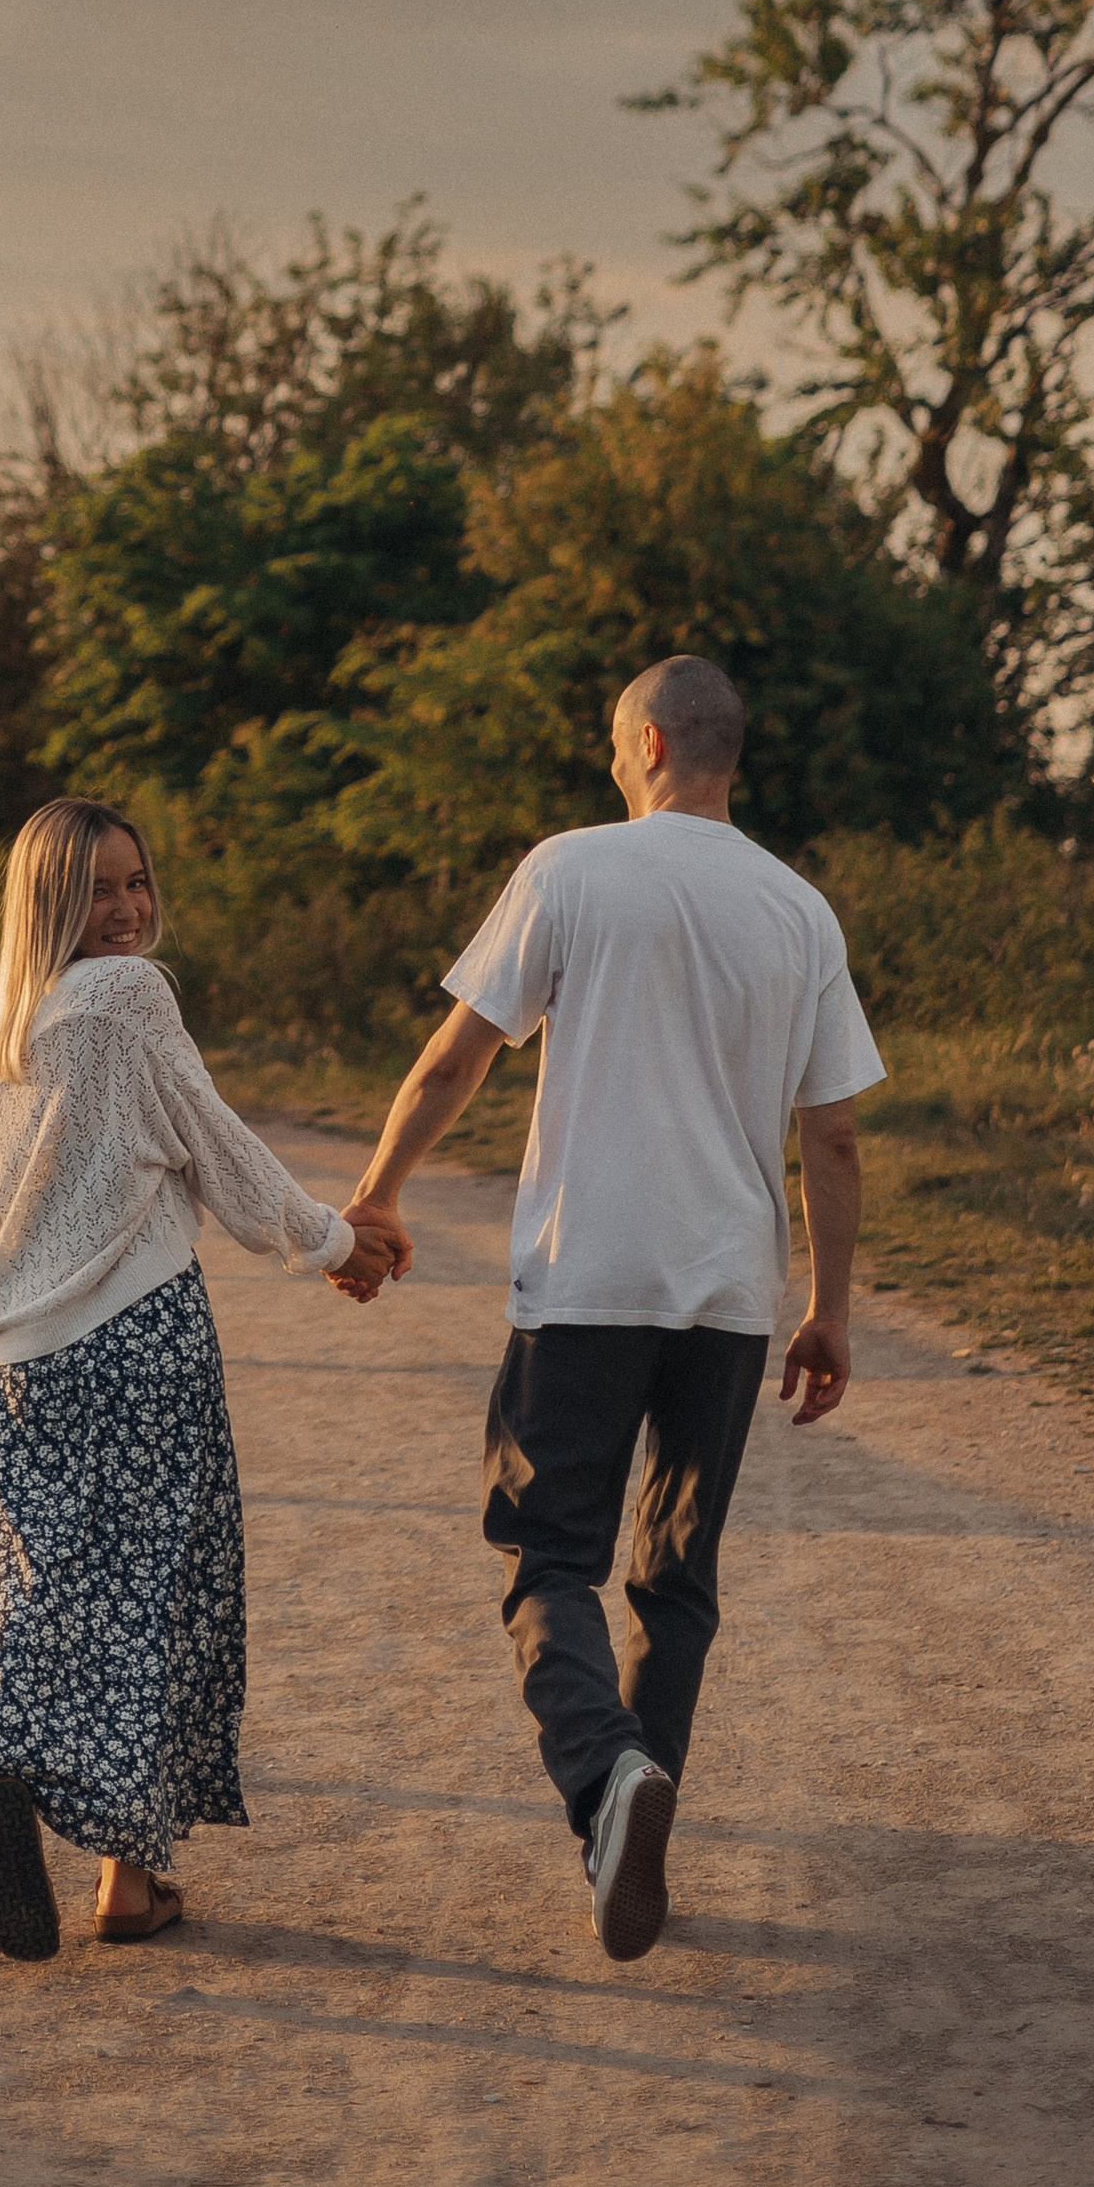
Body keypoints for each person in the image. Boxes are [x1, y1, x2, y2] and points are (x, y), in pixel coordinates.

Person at [341, 655, 883, 1963]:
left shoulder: (571, 869)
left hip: (587, 1281)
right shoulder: (801, 911)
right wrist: (829, 1311)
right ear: (724, 753)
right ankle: (642, 1830)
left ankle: (606, 1782)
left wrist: (374, 1199)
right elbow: (836, 1140)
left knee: (546, 1557)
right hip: (729, 1295)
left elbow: (457, 1056)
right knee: (676, 1580)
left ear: (645, 741)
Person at [0, 795, 397, 1959]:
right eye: (99, 887)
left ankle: (11, 1765)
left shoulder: (4, 1014)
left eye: (138, 880)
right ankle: (126, 1877)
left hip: (28, 1354)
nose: (129, 906)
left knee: (39, 1584)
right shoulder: (127, 994)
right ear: (49, 899)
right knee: (156, 1593)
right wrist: (335, 1242)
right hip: (142, 1336)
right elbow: (216, 1141)